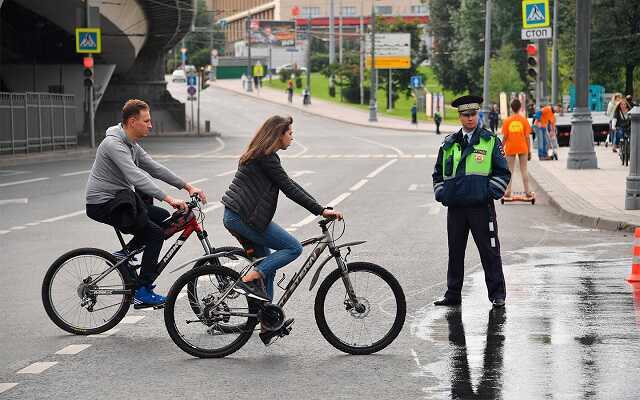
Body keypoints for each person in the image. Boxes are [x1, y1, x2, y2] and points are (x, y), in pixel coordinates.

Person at [221, 115, 342, 342]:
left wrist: (319, 208)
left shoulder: (263, 155)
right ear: (278, 134)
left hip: (242, 216)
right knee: (293, 248)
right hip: (243, 218)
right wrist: (320, 211)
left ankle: (267, 325)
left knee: (268, 265)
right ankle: (249, 279)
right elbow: (288, 188)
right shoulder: (265, 158)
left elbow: (290, 184)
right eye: (290, 133)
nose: (292, 137)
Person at [85, 99, 207, 306]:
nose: (151, 124)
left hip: (120, 199)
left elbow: (155, 168)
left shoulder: (130, 144)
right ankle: (142, 290)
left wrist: (187, 187)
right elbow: (135, 177)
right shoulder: (113, 144)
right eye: (147, 121)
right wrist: (168, 198)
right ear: (133, 121)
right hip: (103, 203)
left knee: (160, 217)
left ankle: (124, 254)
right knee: (155, 234)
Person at [432, 95, 511, 308]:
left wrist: (488, 193)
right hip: (456, 208)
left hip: (481, 207)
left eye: (473, 114)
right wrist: (442, 193)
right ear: (459, 117)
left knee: (490, 251)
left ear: (478, 114)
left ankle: (497, 294)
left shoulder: (489, 140)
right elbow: (438, 173)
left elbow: (503, 172)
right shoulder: (448, 144)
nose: (470, 118)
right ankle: (453, 294)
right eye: (466, 115)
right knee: (455, 252)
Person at [501, 99, 533, 199]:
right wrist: (529, 150)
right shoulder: (524, 120)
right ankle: (527, 191)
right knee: (524, 170)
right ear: (520, 108)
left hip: (510, 148)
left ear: (511, 108)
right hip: (523, 147)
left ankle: (507, 191)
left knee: (509, 171)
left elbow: (505, 137)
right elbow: (527, 137)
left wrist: (501, 148)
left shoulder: (507, 121)